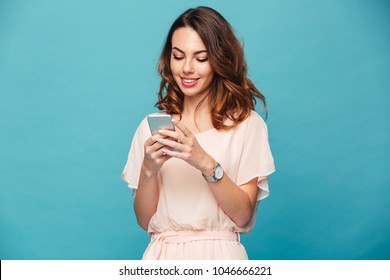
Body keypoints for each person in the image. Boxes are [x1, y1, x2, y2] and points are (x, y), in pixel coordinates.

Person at [121, 6, 275, 260]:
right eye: (178, 56)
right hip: (162, 257)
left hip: (221, 257)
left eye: (201, 58)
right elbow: (144, 220)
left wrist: (204, 162)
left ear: (219, 60)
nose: (187, 69)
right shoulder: (151, 127)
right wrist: (148, 169)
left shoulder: (248, 125)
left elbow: (243, 215)